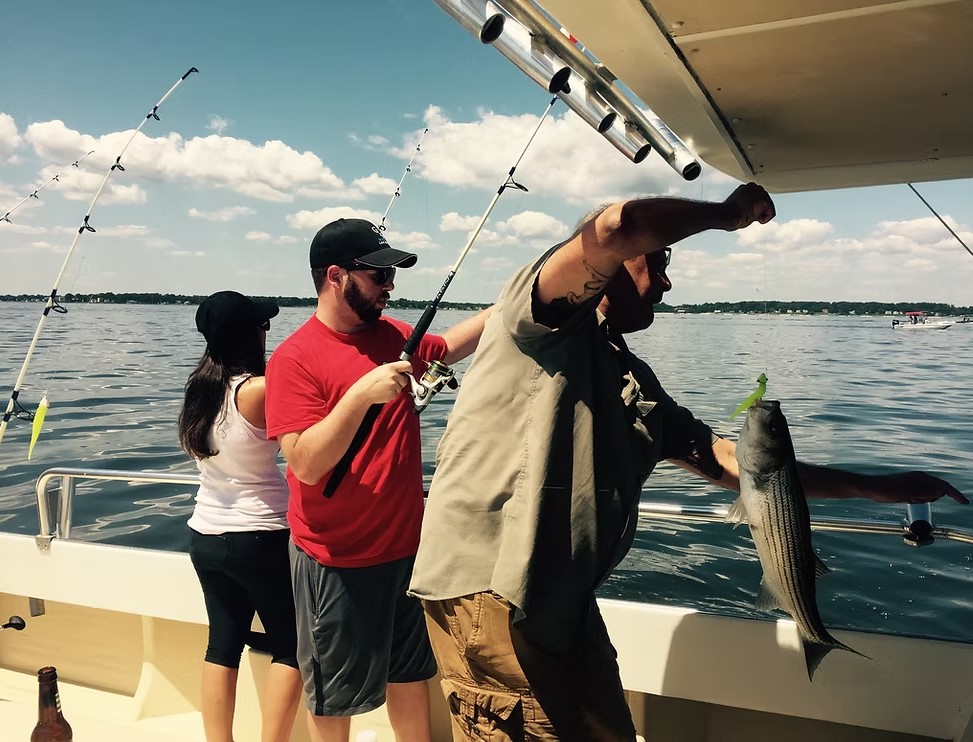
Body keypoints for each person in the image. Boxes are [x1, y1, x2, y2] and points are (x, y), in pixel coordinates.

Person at [408, 183, 969, 741]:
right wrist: (728, 214)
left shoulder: (631, 375)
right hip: (495, 597)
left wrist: (875, 488)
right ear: (617, 264)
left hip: (560, 600)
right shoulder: (540, 318)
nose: (668, 283)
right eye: (659, 263)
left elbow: (732, 461)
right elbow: (616, 227)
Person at [264, 218, 491, 742]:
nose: (390, 286)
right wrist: (359, 396)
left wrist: (518, 299)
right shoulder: (294, 358)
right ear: (336, 276)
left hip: (407, 551)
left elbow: (448, 346)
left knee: (410, 678)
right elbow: (305, 464)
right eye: (378, 275)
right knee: (333, 699)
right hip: (336, 561)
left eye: (391, 275)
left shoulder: (392, 335)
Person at [179, 290, 303, 742]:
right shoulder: (259, 390)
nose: (267, 333)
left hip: (206, 535)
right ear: (250, 335)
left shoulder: (199, 388)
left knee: (222, 645)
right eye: (263, 326)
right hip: (261, 536)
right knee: (291, 647)